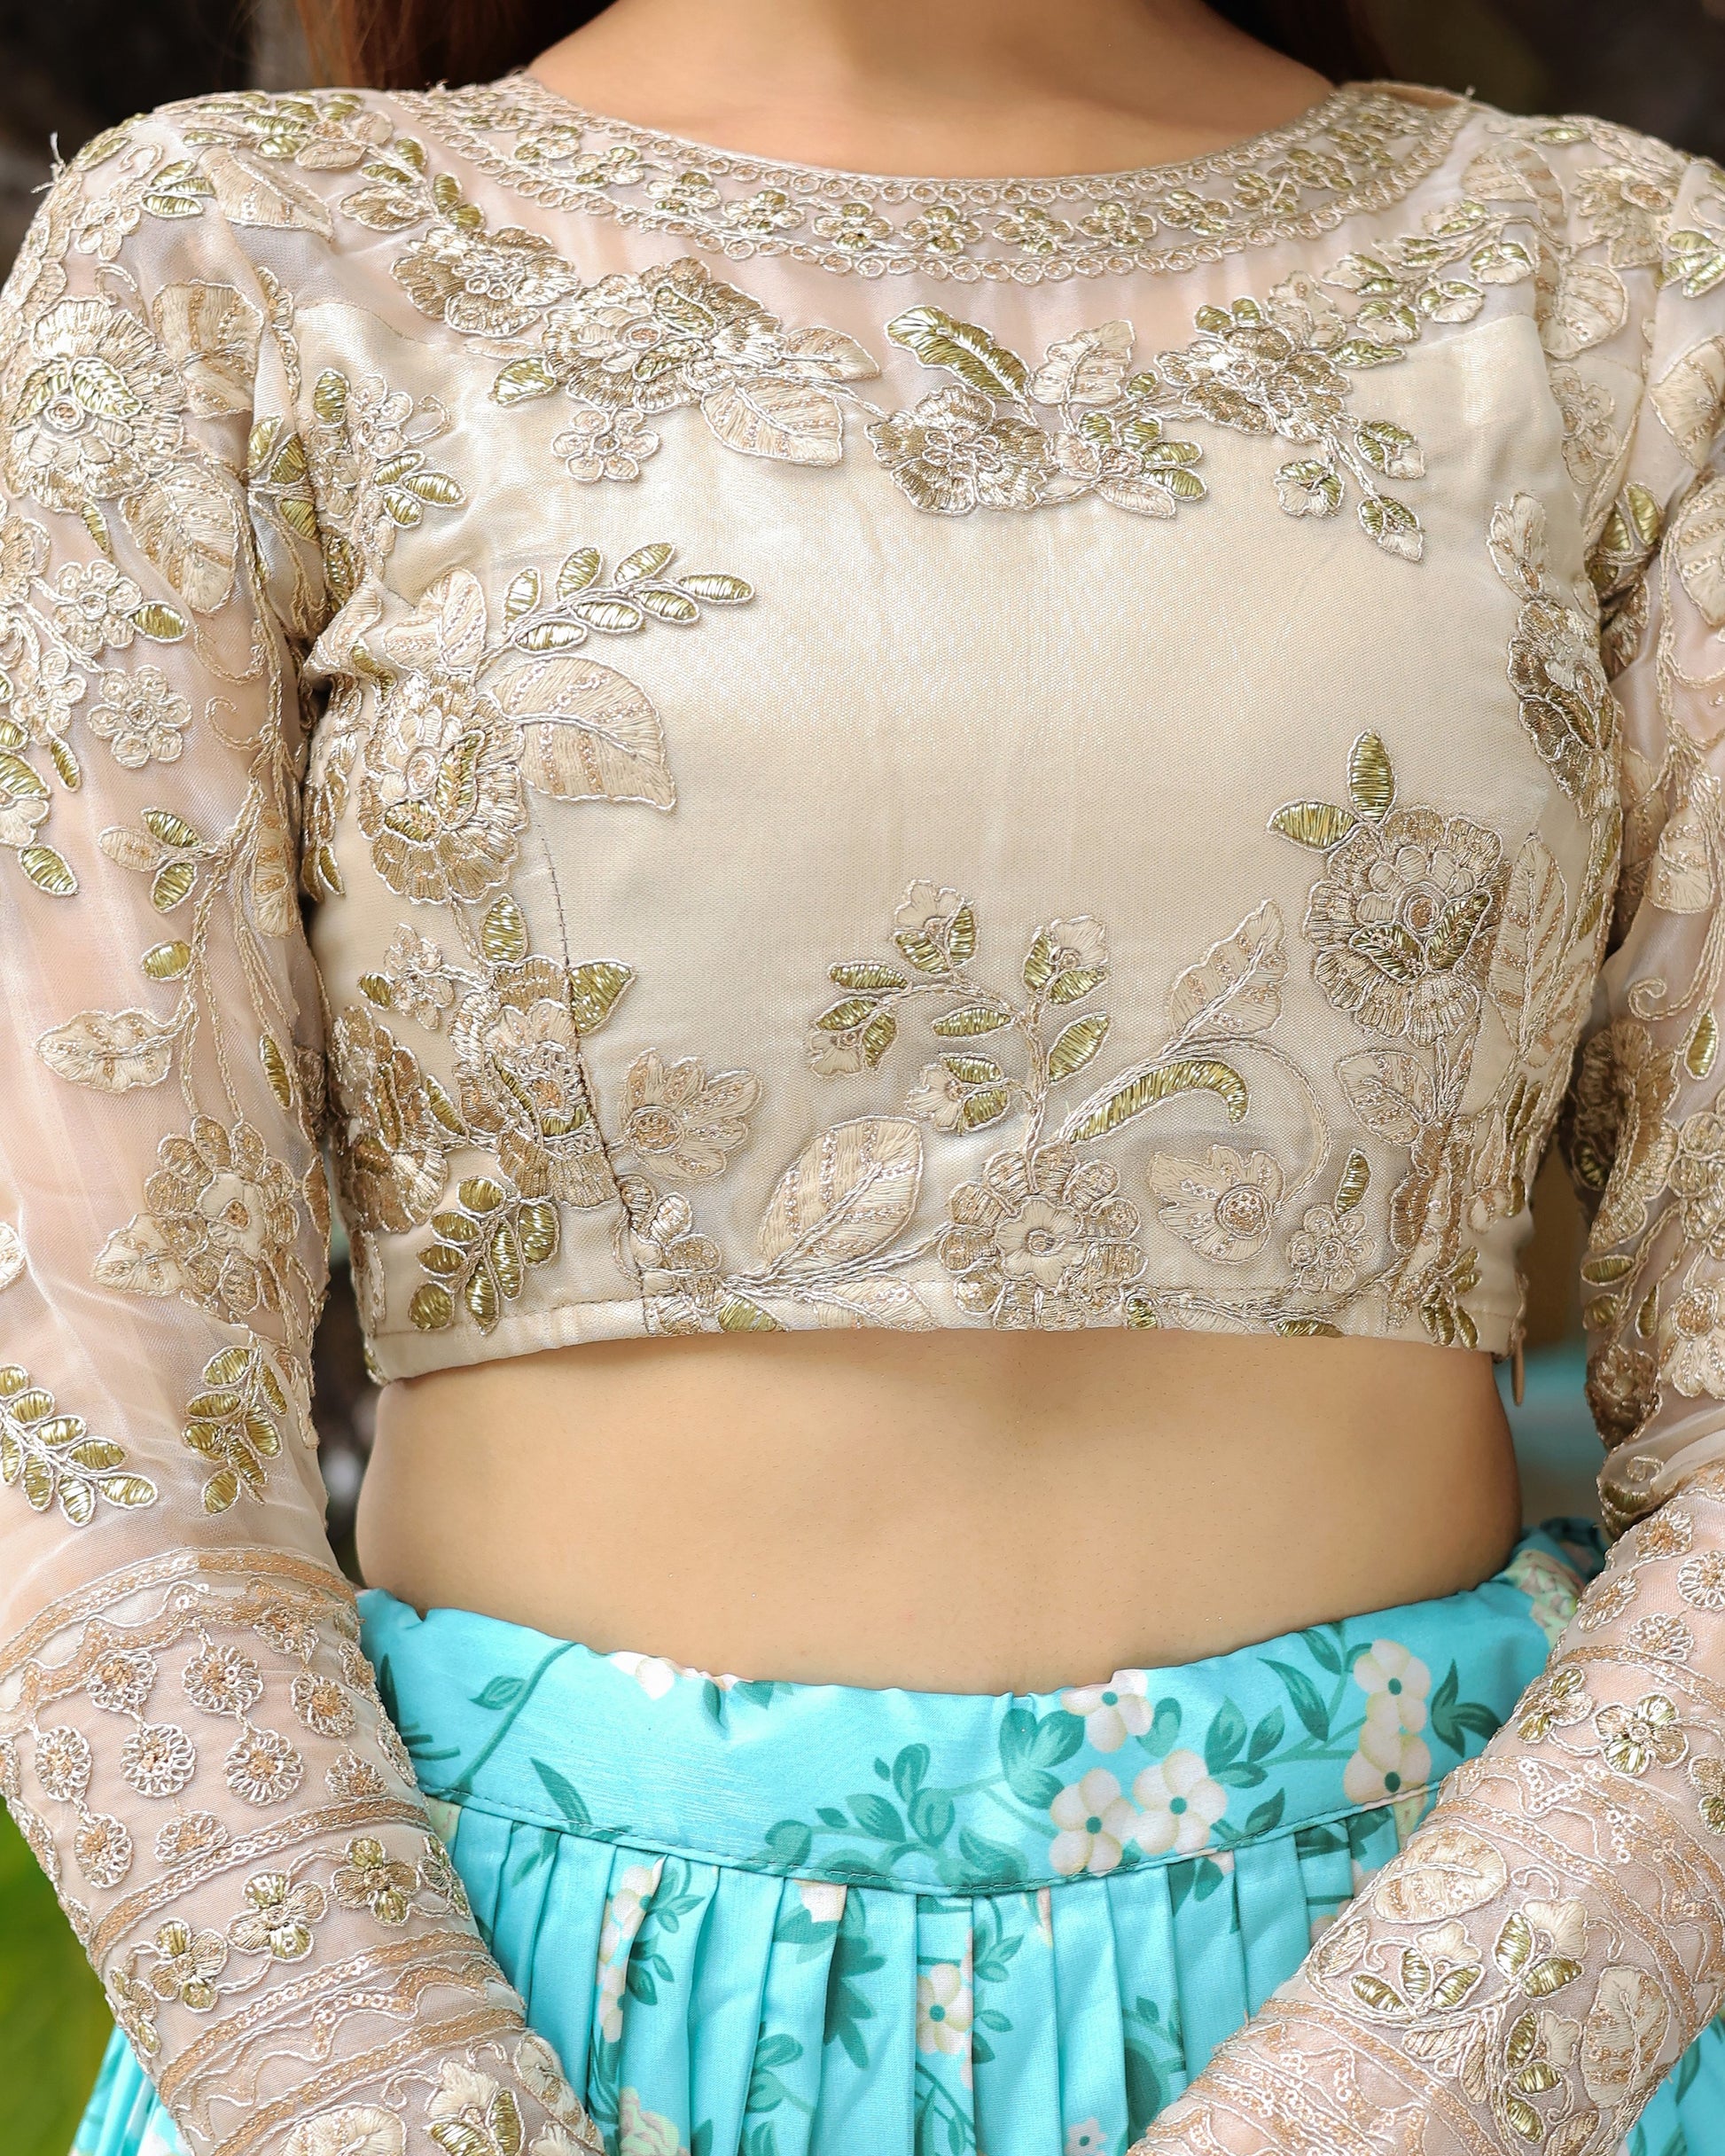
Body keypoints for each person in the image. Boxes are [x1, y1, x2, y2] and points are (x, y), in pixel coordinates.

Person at [3, 0, 1724, 2149]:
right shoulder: (239, 263)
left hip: (1467, 2023)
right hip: (454, 2011)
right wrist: (374, 2096)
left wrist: (1406, 2096)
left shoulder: (1603, 293)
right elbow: (88, 1413)